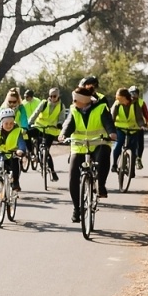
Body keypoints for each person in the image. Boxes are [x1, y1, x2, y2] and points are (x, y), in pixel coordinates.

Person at [64, 83, 112, 223]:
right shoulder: (74, 109)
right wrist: (63, 135)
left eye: (75, 100)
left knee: (103, 157)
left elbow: (108, 123)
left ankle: (101, 185)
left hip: (99, 143)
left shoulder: (101, 108)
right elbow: (68, 124)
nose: (73, 102)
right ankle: (77, 209)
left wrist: (112, 133)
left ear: (84, 100)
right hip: (79, 146)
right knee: (73, 177)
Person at [0, 107, 25, 191]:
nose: (9, 125)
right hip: (0, 153)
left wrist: (21, 150)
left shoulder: (17, 131)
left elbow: (21, 143)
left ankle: (15, 182)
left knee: (15, 163)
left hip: (13, 154)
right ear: (1, 122)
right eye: (6, 123)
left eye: (11, 123)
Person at [110, 87, 146, 172]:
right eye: (117, 98)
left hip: (134, 128)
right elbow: (112, 117)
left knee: (133, 148)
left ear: (125, 97)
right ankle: (114, 164)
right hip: (120, 128)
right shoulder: (117, 104)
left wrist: (142, 126)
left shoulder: (135, 103)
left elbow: (139, 117)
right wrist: (111, 129)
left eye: (120, 98)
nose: (118, 99)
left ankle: (131, 169)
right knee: (118, 145)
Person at [32, 87, 64, 181]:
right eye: (50, 96)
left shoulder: (61, 106)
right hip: (40, 127)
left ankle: (52, 172)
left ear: (58, 96)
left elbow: (61, 117)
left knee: (46, 150)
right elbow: (36, 113)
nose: (52, 98)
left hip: (51, 130)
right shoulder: (44, 103)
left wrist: (60, 124)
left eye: (54, 96)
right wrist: (30, 123)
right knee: (37, 144)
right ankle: (35, 156)